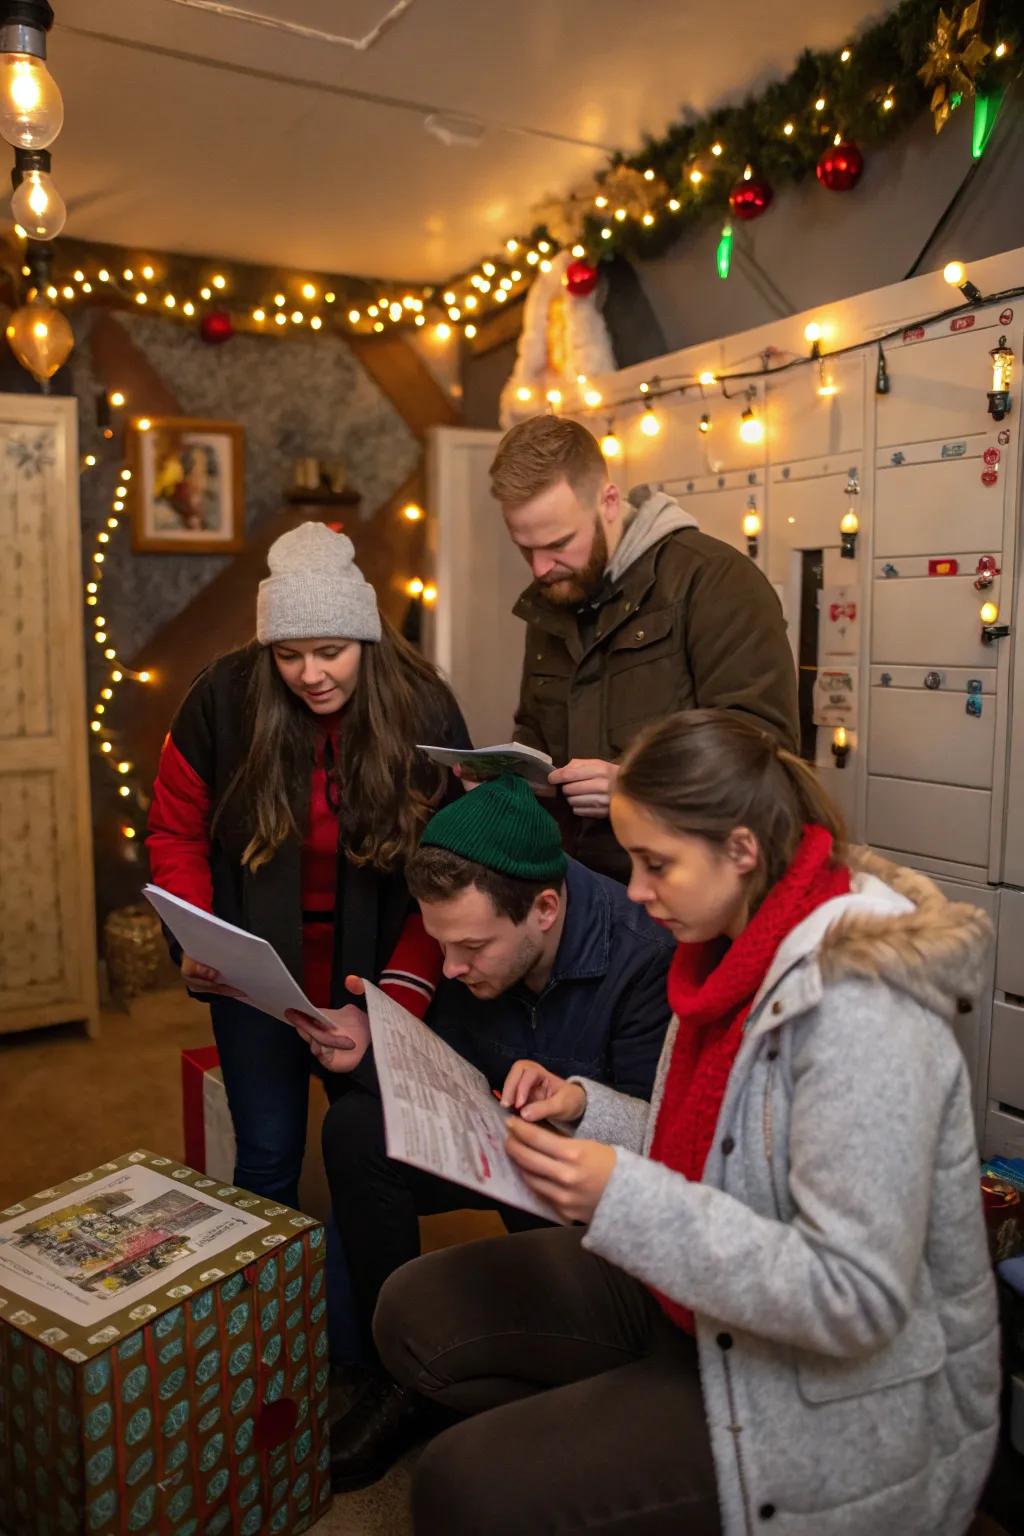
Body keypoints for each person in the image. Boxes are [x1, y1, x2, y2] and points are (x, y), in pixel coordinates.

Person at [373, 710, 1000, 1535]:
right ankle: (628, 1433)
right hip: (702, 1293)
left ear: (741, 851)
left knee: (463, 1485)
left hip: (831, 1394)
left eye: (655, 864)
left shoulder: (861, 1011)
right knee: (414, 1311)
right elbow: (715, 1148)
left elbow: (856, 1298)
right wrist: (585, 1109)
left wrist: (621, 1200)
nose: (633, 891)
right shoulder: (725, 944)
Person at [287, 773, 674, 1488]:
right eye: (440, 945)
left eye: (471, 947)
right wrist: (371, 1051)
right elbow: (443, 1074)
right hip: (493, 1142)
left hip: (589, 1185)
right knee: (354, 1129)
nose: (451, 968)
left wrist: (577, 1104)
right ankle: (397, 1379)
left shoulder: (643, 956)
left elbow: (668, 1149)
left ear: (545, 908)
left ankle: (548, 1376)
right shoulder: (469, 944)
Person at [147, 521, 470, 1212]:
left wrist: (400, 1003)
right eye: (288, 655)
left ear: (366, 638)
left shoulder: (424, 705)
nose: (310, 675)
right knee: (265, 1154)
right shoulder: (222, 698)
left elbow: (449, 869)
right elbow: (175, 830)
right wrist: (197, 940)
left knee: (374, 1156)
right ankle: (272, 1319)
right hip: (254, 971)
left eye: (330, 652)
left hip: (379, 965)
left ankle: (370, 1315)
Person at [488, 414, 799, 880]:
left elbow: (763, 751)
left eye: (558, 543)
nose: (539, 569)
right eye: (524, 548)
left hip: (686, 887)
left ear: (608, 501)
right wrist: (508, 775)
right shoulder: (557, 588)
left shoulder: (714, 581)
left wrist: (636, 788)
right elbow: (537, 728)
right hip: (576, 882)